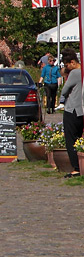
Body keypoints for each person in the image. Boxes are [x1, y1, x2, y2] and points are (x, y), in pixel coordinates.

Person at [59, 50, 83, 178]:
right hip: (82, 109)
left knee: (71, 139)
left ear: (72, 63)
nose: (66, 68)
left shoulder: (75, 73)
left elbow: (64, 91)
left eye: (67, 65)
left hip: (72, 108)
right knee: (79, 137)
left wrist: (65, 76)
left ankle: (76, 167)